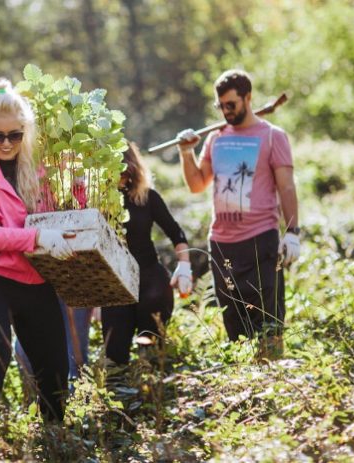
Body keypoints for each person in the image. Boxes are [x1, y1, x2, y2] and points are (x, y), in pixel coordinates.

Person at [0, 78, 76, 422]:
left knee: (55, 367)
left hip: (35, 280)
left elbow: (61, 215)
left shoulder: (37, 174)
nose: (7, 143)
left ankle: (54, 438)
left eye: (15, 135)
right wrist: (34, 239)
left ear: (25, 132)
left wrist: (77, 182)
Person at [176, 69, 300, 357]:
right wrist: (185, 153)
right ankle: (244, 386)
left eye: (231, 104)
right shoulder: (216, 138)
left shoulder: (272, 137)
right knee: (234, 326)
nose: (226, 111)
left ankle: (272, 381)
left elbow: (287, 188)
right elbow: (197, 184)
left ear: (248, 98)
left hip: (261, 241)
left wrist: (292, 232)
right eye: (221, 106)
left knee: (269, 323)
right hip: (222, 243)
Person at [101, 142, 193, 367]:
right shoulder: (99, 200)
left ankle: (155, 395)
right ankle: (121, 398)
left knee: (151, 354)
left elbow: (176, 232)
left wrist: (185, 265)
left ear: (131, 167)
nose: (119, 177)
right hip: (115, 285)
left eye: (123, 170)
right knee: (114, 358)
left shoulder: (147, 197)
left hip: (150, 282)